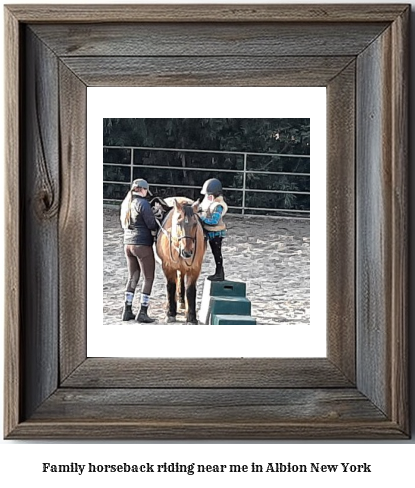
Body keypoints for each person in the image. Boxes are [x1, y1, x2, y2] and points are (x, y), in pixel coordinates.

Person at [120, 179, 158, 323]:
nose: (147, 193)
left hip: (128, 244)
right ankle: (143, 311)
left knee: (133, 277)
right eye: (146, 190)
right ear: (142, 190)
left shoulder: (127, 203)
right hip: (142, 244)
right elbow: (151, 224)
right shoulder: (143, 203)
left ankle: (127, 309)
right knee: (148, 278)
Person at [198, 178, 228, 281]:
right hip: (209, 231)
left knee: (217, 253)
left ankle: (219, 272)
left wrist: (200, 218)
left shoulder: (218, 205)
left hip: (216, 233)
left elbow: (214, 221)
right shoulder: (208, 202)